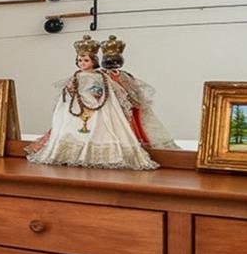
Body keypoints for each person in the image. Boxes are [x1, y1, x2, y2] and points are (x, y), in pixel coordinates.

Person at [27, 34, 159, 170]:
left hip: (96, 106)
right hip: (77, 106)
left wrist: (97, 93)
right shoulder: (76, 75)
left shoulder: (100, 75)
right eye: (79, 60)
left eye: (85, 60)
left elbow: (105, 90)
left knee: (100, 129)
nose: (82, 63)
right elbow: (69, 92)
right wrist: (70, 89)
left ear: (94, 61)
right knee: (70, 129)